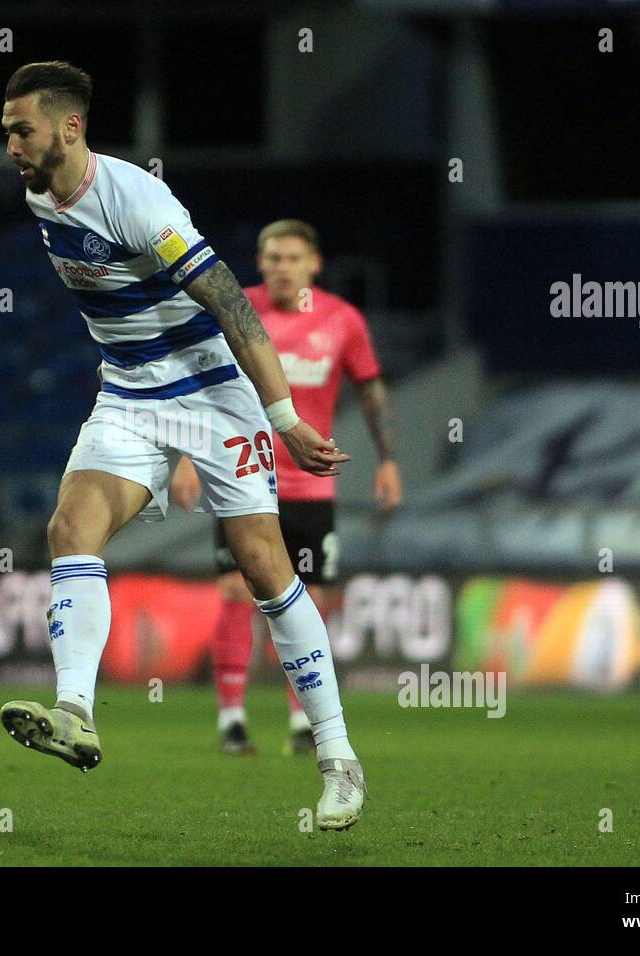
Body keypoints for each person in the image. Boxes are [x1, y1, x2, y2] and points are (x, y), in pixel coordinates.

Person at [0, 61, 366, 829]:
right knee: (70, 528)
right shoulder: (39, 191)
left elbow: (232, 301)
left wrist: (285, 417)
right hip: (128, 394)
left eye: (21, 129)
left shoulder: (136, 200)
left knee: (265, 567)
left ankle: (337, 758)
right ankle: (75, 712)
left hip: (211, 394)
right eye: (6, 131)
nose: (10, 145)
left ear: (70, 127)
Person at [170, 220, 402, 756]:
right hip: (241, 474)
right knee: (235, 591)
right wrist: (182, 454)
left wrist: (388, 460)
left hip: (312, 484)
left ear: (313, 264)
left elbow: (371, 390)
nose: (280, 267)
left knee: (310, 598)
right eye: (271, 257)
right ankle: (231, 718)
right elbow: (190, 380)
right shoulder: (234, 308)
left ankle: (303, 722)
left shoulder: (343, 320)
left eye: (292, 258)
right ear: (260, 261)